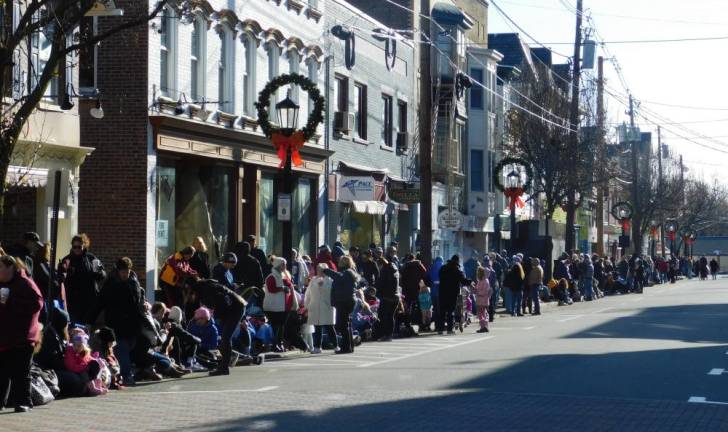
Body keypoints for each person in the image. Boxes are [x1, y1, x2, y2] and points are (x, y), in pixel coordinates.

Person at [0, 255, 44, 412]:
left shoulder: (25, 283)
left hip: (23, 336)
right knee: (2, 371)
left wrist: (11, 301)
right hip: (4, 336)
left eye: (0, 268)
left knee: (21, 371)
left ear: (10, 267)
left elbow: (37, 304)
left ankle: (23, 401)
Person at [94, 257, 146, 386]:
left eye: (127, 271)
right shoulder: (111, 284)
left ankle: (126, 372)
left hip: (132, 322)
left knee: (130, 345)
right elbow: (101, 302)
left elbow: (138, 300)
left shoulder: (134, 282)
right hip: (116, 323)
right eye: (123, 272)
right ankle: (127, 375)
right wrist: (91, 319)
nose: (125, 274)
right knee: (122, 348)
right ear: (118, 271)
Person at [188, 278, 248, 375]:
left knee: (225, 337)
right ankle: (226, 361)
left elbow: (222, 302)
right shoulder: (208, 287)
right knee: (224, 337)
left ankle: (224, 367)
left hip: (235, 309)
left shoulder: (208, 290)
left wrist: (218, 317)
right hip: (233, 307)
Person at [35, 307, 86, 397]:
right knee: (74, 379)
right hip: (48, 371)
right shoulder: (49, 336)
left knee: (81, 375)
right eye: (67, 323)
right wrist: (68, 365)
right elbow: (51, 360)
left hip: (58, 368)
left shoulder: (58, 333)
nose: (68, 326)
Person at [59, 234, 106, 325]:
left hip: (89, 300)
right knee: (76, 329)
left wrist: (99, 273)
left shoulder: (91, 258)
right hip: (73, 302)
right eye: (74, 247)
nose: (77, 249)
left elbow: (102, 275)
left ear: (84, 246)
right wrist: (64, 272)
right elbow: (61, 279)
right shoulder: (67, 260)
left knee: (88, 327)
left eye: (79, 247)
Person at [324, 256, 359, 353]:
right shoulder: (349, 272)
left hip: (344, 301)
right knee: (346, 325)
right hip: (347, 301)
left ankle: (346, 347)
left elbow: (339, 278)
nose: (339, 262)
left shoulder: (346, 272)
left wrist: (327, 271)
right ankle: (349, 346)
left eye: (341, 261)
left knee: (342, 325)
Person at [263, 258, 296, 352]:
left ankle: (279, 343)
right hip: (274, 306)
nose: (285, 266)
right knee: (276, 326)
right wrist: (282, 288)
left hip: (283, 305)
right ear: (278, 265)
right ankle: (275, 344)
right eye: (283, 264)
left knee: (281, 325)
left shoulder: (284, 275)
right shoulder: (271, 276)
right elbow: (271, 288)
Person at [304, 264, 337, 354]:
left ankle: (336, 345)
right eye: (318, 269)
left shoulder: (330, 280)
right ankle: (317, 347)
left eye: (322, 270)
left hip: (326, 307)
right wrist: (306, 305)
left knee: (329, 327)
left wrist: (322, 287)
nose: (320, 271)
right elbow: (308, 293)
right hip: (315, 306)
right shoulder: (313, 280)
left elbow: (331, 293)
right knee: (317, 328)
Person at [439, 255, 471, 334]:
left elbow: (439, 277)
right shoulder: (457, 270)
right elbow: (464, 281)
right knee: (450, 311)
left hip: (442, 292)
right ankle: (450, 329)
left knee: (442, 312)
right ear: (457, 262)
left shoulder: (443, 268)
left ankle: (440, 329)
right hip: (452, 294)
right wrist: (470, 281)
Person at [399, 254, 427, 333]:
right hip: (416, 289)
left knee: (407, 307)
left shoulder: (405, 265)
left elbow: (401, 275)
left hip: (407, 290)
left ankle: (407, 323)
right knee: (419, 307)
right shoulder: (418, 264)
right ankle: (421, 324)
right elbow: (424, 272)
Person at [375, 255, 400, 341]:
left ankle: (385, 334)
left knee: (383, 316)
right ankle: (389, 335)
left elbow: (380, 284)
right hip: (396, 296)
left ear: (380, 264)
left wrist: (377, 291)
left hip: (387, 296)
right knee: (390, 316)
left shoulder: (384, 270)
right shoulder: (394, 269)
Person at [474, 266, 492, 333]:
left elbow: (484, 291)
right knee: (484, 313)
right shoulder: (482, 281)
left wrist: (477, 292)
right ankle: (485, 327)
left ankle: (483, 327)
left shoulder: (484, 281)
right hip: (483, 300)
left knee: (481, 314)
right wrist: (475, 289)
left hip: (481, 300)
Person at [429, 257, 444, 333]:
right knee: (441, 310)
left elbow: (428, 277)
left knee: (435, 309)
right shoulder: (443, 267)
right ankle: (441, 327)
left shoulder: (432, 267)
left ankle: (437, 326)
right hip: (441, 293)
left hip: (433, 293)